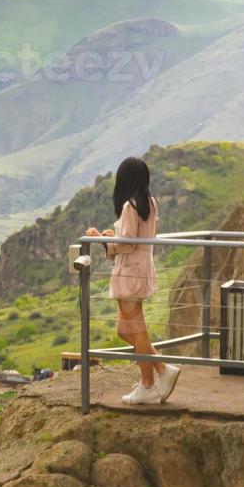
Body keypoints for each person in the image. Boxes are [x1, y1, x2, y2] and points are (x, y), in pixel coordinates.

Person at [85, 157, 179, 406]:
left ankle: (152, 381)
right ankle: (158, 373)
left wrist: (100, 239)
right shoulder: (150, 203)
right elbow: (134, 238)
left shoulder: (129, 206)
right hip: (142, 268)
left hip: (129, 272)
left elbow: (127, 243)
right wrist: (112, 236)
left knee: (136, 330)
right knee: (126, 330)